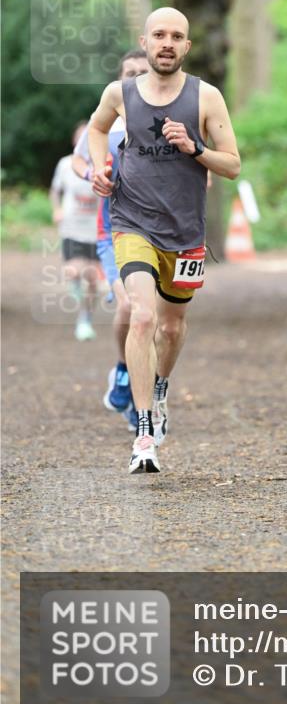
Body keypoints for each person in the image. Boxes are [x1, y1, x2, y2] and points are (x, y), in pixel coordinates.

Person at [88, 7, 241, 473]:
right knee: (140, 315)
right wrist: (100, 168)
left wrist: (194, 147)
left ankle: (159, 389)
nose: (167, 43)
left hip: (185, 232)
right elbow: (96, 129)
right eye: (159, 35)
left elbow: (233, 164)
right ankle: (143, 433)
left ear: (187, 46)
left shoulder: (205, 97)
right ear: (146, 41)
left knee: (171, 328)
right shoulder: (120, 92)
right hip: (132, 221)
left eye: (177, 36)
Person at [72, 50, 150, 430]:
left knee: (154, 319)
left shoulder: (168, 117)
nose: (135, 78)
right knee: (132, 307)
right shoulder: (108, 119)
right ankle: (128, 381)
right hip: (113, 232)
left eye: (142, 72)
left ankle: (134, 384)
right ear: (119, 78)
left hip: (160, 233)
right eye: (129, 73)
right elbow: (78, 159)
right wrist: (92, 176)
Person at [49, 122, 100, 341]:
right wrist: (57, 209)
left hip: (96, 231)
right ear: (74, 141)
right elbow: (54, 191)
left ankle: (85, 319)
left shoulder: (102, 163)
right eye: (81, 138)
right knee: (74, 271)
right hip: (71, 227)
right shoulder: (65, 164)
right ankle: (74, 284)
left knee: (93, 279)